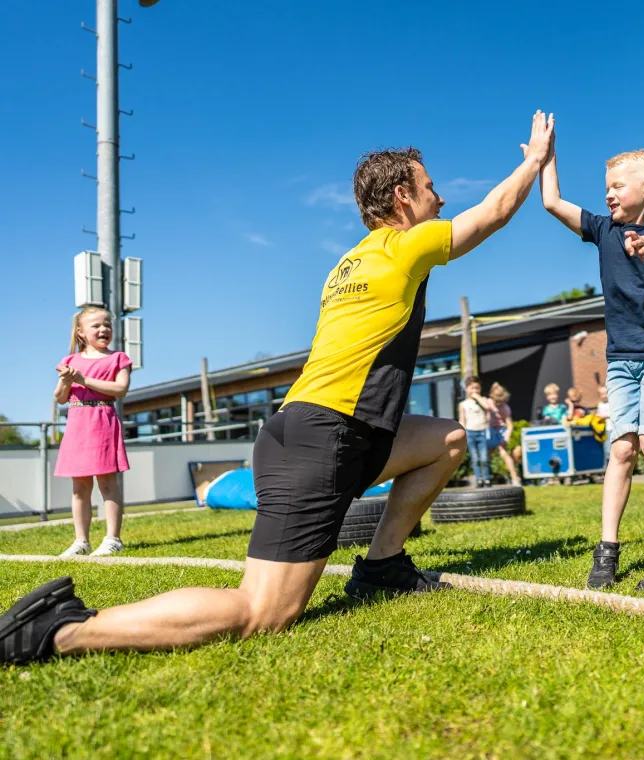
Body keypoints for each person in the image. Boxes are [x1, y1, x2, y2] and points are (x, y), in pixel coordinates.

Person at [0, 110, 557, 666]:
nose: (440, 198)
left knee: (449, 439)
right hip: (323, 440)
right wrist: (533, 160)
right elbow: (494, 213)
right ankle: (61, 631)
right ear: (401, 197)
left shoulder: (349, 261)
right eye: (431, 188)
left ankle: (382, 567)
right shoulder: (403, 248)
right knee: (263, 611)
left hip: (332, 431)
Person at [539, 134, 644, 591]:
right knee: (621, 450)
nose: (607, 194)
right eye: (605, 187)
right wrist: (546, 157)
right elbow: (552, 201)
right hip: (621, 357)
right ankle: (607, 549)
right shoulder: (601, 229)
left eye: (616, 186)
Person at [53, 306, 133, 558]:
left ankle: (113, 539)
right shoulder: (69, 361)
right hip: (77, 424)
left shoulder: (118, 358)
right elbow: (60, 399)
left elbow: (120, 389)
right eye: (96, 326)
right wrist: (67, 381)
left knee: (107, 483)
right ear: (81, 332)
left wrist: (83, 379)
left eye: (107, 325)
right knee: (80, 486)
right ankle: (81, 541)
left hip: (103, 420)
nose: (103, 330)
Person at [458, 376, 493, 488]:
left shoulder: (483, 400)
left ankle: (487, 478)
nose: (474, 391)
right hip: (470, 432)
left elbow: (487, 407)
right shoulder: (463, 404)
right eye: (472, 388)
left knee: (484, 458)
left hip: (482, 432)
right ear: (466, 389)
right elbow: (462, 420)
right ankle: (479, 479)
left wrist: (477, 397)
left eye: (477, 388)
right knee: (475, 458)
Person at [486, 382, 521, 487]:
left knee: (504, 454)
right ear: (491, 395)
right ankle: (484, 478)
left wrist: (506, 437)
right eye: (497, 402)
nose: (499, 404)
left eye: (501, 402)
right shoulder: (487, 403)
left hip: (500, 431)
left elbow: (509, 425)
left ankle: (515, 478)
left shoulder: (505, 408)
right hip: (490, 430)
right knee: (487, 456)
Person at [594, 384, 612, 465]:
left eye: (606, 393)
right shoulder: (600, 405)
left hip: (613, 428)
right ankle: (607, 465)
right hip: (605, 429)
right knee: (606, 447)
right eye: (602, 394)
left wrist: (604, 416)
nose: (604, 395)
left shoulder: (612, 403)